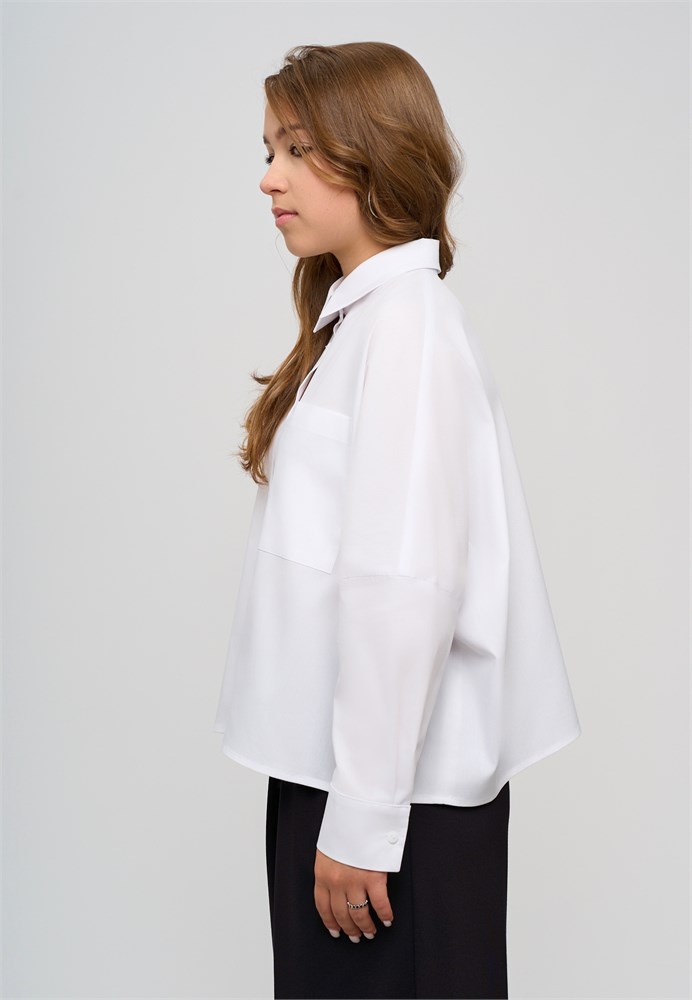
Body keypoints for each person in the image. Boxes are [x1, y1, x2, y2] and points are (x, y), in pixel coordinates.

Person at [214, 41, 581, 1000]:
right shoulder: (367, 322)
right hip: (347, 780)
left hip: (387, 804)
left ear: (369, 154)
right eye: (269, 150)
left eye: (297, 149)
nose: (269, 177)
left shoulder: (409, 327)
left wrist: (362, 822)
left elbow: (405, 586)